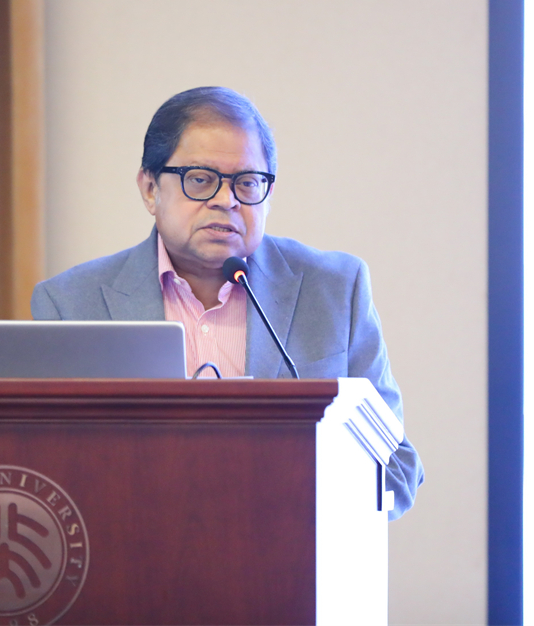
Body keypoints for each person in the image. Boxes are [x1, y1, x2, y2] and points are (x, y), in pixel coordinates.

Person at [31, 87, 423, 519]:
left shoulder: (334, 291)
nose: (226, 199)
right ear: (150, 188)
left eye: (247, 182)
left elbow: (397, 468)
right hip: (134, 548)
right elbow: (48, 471)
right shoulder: (71, 304)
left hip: (287, 551)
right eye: (200, 179)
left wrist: (292, 497)